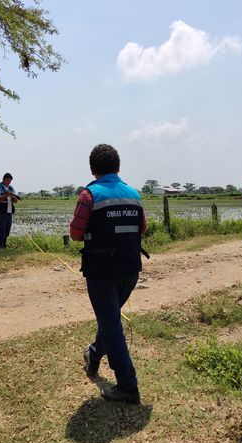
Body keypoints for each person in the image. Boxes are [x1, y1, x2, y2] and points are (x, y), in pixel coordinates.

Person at [69, 143, 148, 405]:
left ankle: (128, 386)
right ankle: (93, 354)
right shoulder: (133, 194)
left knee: (112, 326)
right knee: (110, 320)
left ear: (93, 169)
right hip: (130, 270)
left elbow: (75, 234)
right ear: (118, 167)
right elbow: (142, 228)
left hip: (101, 272)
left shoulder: (89, 195)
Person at [0, 173, 20, 248]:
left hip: (9, 212)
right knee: (1, 230)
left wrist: (12, 196)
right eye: (7, 180)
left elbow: (15, 201)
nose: (8, 182)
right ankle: (0, 247)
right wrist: (6, 195)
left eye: (10, 181)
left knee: (7, 230)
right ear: (3, 179)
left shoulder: (11, 188)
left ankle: (3, 245)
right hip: (0, 212)